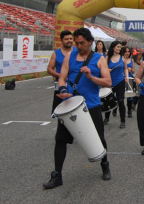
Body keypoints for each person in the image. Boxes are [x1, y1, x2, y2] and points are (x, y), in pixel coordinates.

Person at [43, 28, 112, 189]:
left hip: (91, 106)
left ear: (90, 42)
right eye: (77, 43)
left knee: (99, 138)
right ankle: (57, 175)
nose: (79, 46)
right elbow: (62, 78)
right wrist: (63, 90)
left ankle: (105, 165)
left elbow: (108, 82)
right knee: (60, 140)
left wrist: (91, 77)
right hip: (71, 106)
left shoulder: (99, 58)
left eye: (82, 43)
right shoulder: (69, 56)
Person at [46, 30, 77, 116]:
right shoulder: (56, 53)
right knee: (60, 112)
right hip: (61, 85)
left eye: (71, 38)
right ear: (61, 41)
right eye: (66, 39)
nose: (69, 40)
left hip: (75, 85)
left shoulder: (77, 51)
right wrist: (61, 76)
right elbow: (49, 69)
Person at [104, 41, 129, 128]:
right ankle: (106, 118)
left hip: (120, 82)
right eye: (117, 47)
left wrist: (127, 76)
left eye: (120, 47)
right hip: (109, 83)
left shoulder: (123, 57)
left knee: (121, 101)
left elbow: (125, 68)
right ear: (113, 47)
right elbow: (102, 70)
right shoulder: (107, 58)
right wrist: (107, 70)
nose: (119, 48)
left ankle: (123, 121)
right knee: (108, 101)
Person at [123, 46, 138, 116]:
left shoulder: (131, 60)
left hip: (129, 78)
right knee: (119, 95)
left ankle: (129, 110)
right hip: (121, 78)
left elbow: (133, 70)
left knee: (129, 95)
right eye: (125, 51)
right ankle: (116, 109)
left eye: (128, 51)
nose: (127, 53)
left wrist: (131, 70)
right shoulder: (121, 59)